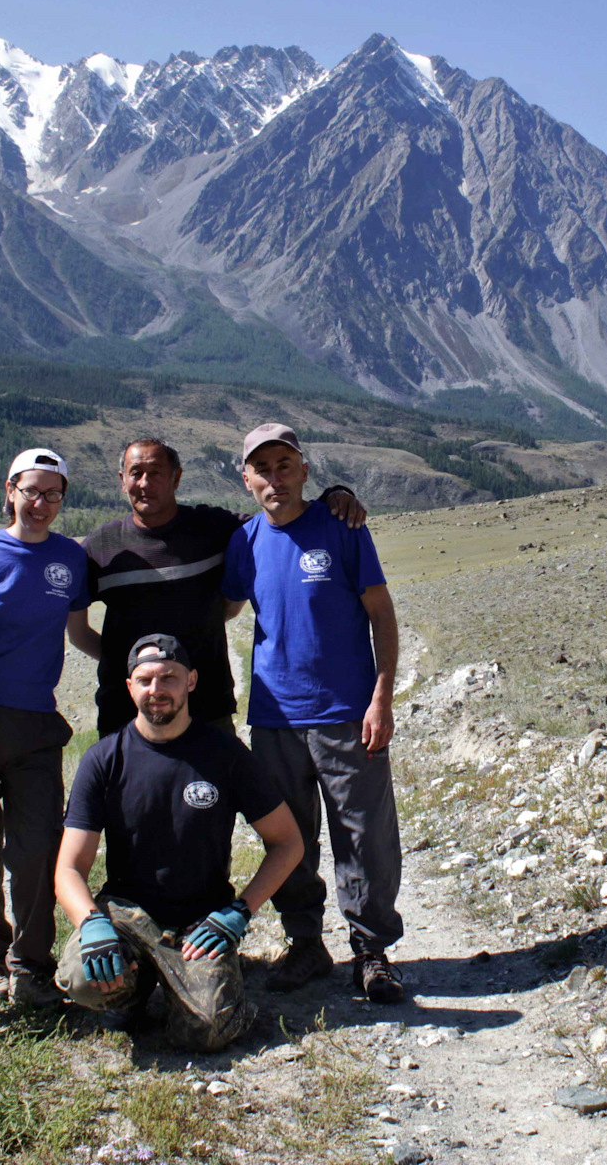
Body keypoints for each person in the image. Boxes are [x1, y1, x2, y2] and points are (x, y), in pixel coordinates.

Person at [221, 424, 405, 1003]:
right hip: (274, 717)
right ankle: (306, 942)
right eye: (262, 470)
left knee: (363, 833)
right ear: (245, 478)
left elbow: (381, 614)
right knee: (288, 837)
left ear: (304, 469)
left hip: (345, 713)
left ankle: (371, 950)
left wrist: (381, 698)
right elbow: (221, 606)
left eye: (284, 465)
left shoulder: (343, 528)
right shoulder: (244, 541)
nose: (274, 478)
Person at [55, 634, 303, 1051]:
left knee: (206, 1031)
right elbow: (68, 869)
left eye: (168, 677)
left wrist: (239, 912)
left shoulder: (226, 754)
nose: (157, 690)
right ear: (129, 686)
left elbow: (288, 843)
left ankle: (201, 988)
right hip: (126, 914)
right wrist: (91, 922)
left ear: (190, 681)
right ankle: (129, 994)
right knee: (83, 975)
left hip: (199, 921)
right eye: (146, 679)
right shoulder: (103, 759)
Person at [67, 438, 366, 738]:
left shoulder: (214, 528)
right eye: (136, 473)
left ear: (177, 477)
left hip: (207, 710)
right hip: (125, 713)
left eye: (156, 472)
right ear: (123, 480)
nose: (145, 483)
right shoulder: (100, 547)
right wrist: (126, 663)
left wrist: (334, 496)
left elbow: (281, 520)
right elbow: (78, 632)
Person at [0, 448, 89, 1007]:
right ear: (9, 490)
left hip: (36, 723)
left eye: (52, 494)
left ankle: (31, 964)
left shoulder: (71, 559)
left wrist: (136, 669)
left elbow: (79, 633)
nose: (40, 503)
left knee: (37, 848)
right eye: (30, 491)